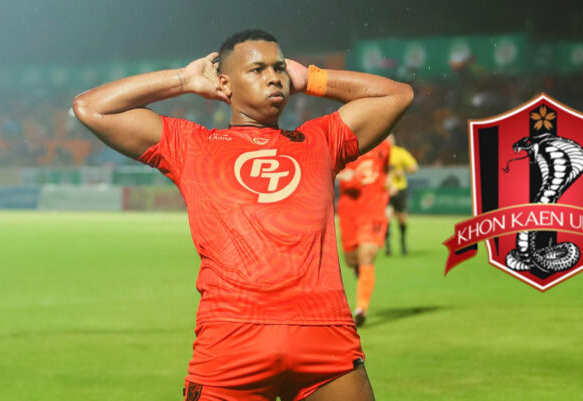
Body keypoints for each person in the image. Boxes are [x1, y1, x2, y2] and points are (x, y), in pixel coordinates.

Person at [73, 29, 412, 401]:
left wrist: (311, 79)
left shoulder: (321, 140)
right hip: (232, 340)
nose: (273, 77)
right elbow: (91, 107)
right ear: (224, 84)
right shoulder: (189, 145)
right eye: (257, 69)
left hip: (324, 336)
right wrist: (184, 79)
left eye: (279, 68)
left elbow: (398, 95)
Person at [336, 139, 391, 327]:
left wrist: (389, 184)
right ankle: (362, 276)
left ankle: (361, 309)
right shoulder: (341, 144)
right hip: (349, 211)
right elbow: (322, 167)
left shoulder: (384, 144)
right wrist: (340, 174)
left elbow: (388, 167)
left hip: (374, 210)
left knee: (366, 255)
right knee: (352, 260)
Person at [384, 134, 418, 255]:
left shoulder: (400, 152)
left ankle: (403, 243)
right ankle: (388, 246)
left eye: (390, 138)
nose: (388, 141)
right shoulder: (379, 154)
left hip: (400, 189)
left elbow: (414, 167)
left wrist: (402, 171)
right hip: (385, 190)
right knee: (386, 217)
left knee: (401, 219)